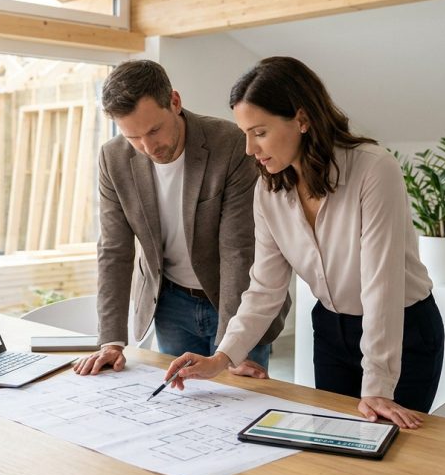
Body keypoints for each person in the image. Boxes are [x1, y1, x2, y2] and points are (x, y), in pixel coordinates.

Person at [165, 57, 444, 429]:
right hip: (330, 329)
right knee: (332, 448)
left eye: (259, 132)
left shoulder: (374, 170)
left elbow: (381, 285)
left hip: (403, 329)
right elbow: (265, 288)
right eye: (244, 132)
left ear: (301, 119)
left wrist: (377, 384)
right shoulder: (268, 190)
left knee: (390, 453)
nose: (249, 148)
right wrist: (222, 358)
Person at [73, 60, 290, 378]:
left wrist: (231, 351)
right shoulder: (113, 157)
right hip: (170, 303)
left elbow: (238, 250)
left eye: (154, 130)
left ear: (174, 102)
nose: (148, 148)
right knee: (181, 404)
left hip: (236, 300)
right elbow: (114, 250)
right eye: (133, 137)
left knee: (237, 403)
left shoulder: (230, 144)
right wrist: (111, 342)